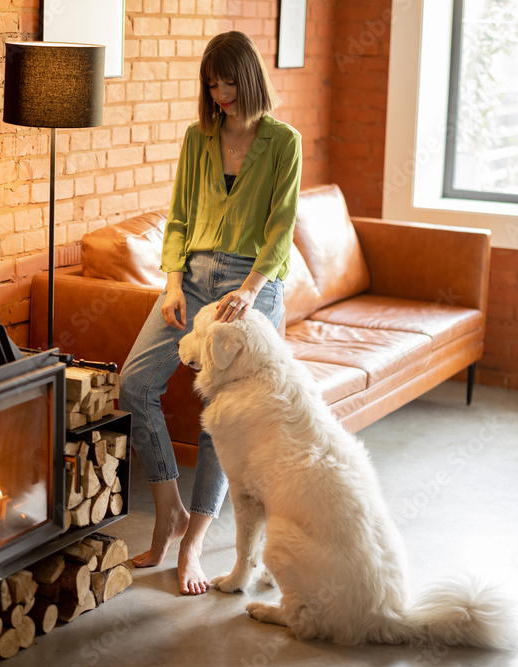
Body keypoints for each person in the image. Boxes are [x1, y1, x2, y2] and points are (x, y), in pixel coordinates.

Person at [118, 31, 302, 595]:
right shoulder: (198, 139)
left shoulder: (283, 142)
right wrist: (171, 283)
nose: (219, 94)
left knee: (228, 411)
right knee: (133, 384)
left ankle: (193, 542)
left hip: (251, 287)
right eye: (211, 84)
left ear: (246, 78)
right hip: (192, 278)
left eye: (226, 82)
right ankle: (168, 509)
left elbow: (281, 227)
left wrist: (249, 290)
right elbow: (176, 218)